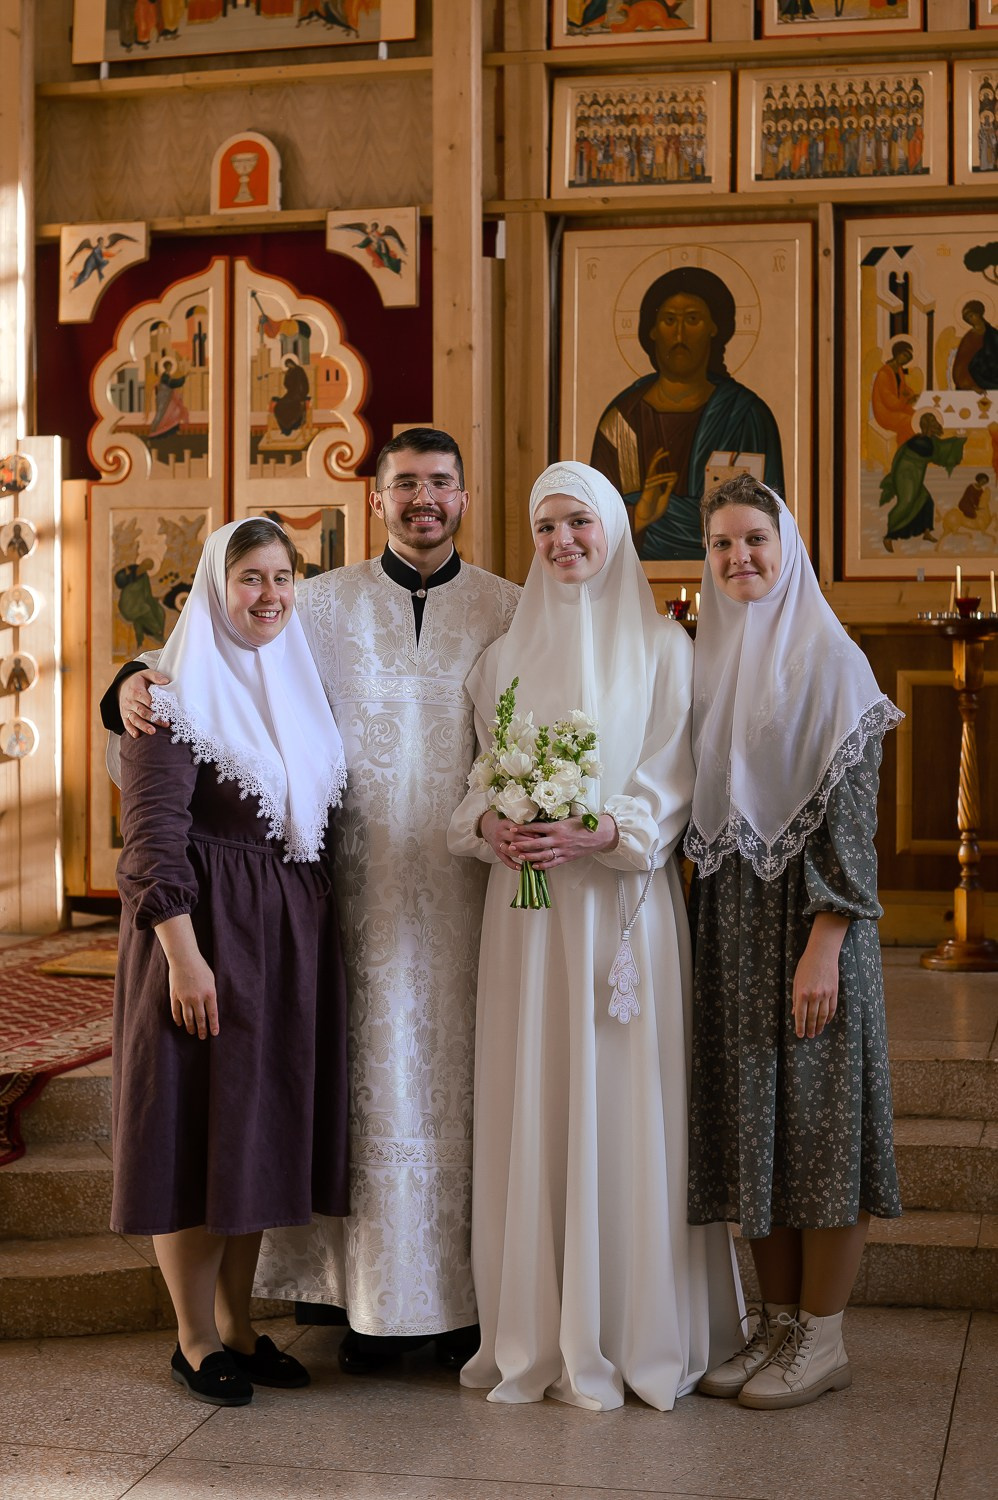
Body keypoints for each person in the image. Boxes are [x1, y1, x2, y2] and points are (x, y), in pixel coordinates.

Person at [103, 429, 521, 1377]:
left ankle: (401, 1306)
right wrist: (123, 684)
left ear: (465, 495)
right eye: (404, 483)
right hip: (304, 917)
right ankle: (239, 1325)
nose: (423, 499)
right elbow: (178, 700)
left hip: (387, 917)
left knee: (262, 1120)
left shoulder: (508, 608)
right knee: (209, 1124)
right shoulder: (321, 607)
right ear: (375, 498)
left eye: (441, 483)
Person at [447, 460, 742, 1412]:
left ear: (612, 530)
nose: (563, 541)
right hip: (526, 919)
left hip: (620, 914)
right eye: (546, 527)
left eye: (580, 522)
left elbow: (672, 780)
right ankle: (536, 1330)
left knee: (622, 1101)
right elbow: (477, 780)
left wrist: (607, 829)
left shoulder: (665, 650)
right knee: (534, 1094)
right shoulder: (499, 661)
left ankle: (630, 1328)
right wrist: (489, 826)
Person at [110, 516, 350, 1407]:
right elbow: (151, 842)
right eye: (250, 578)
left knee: (251, 1134)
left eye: (283, 578)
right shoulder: (168, 700)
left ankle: (241, 1325)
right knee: (192, 1132)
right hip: (201, 937)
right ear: (214, 589)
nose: (270, 596)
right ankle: (194, 1336)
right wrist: (184, 957)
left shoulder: (298, 686)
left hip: (280, 944)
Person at [684, 474, 902, 1411]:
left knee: (819, 1126)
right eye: (722, 543)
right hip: (733, 921)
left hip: (814, 924)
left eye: (755, 541)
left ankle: (823, 1335)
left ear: (788, 550)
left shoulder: (831, 660)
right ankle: (775, 1323)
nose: (739, 557)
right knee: (753, 1123)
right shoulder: (712, 657)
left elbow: (850, 824)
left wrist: (827, 941)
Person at [590, 266, 784, 563]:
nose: (679, 334)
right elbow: (594, 524)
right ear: (652, 330)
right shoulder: (622, 421)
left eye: (692, 319)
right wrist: (641, 515)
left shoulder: (746, 416)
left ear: (714, 328)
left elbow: (770, 520)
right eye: (669, 320)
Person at [879, 410, 965, 551]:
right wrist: (958, 441)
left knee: (926, 500)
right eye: (932, 424)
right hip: (905, 476)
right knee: (906, 502)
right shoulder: (918, 441)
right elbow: (937, 452)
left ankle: (926, 532)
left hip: (915, 477)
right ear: (927, 426)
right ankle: (889, 536)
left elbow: (940, 448)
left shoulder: (929, 441)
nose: (935, 426)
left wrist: (959, 439)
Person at [870, 341, 917, 448]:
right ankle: (905, 449)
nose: (906, 359)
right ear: (897, 353)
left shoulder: (898, 370)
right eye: (904, 355)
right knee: (908, 421)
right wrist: (907, 401)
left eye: (909, 358)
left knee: (917, 416)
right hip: (885, 412)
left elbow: (903, 388)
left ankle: (907, 447)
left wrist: (911, 395)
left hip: (898, 407)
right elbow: (890, 402)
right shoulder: (884, 374)